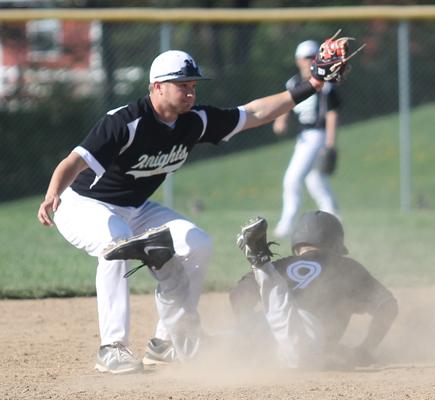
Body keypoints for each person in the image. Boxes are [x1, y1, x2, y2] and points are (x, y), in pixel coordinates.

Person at [36, 49, 328, 374]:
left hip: (136, 208)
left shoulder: (195, 121)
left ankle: (167, 341)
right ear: (157, 86)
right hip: (80, 203)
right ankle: (112, 347)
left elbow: (255, 113)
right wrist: (53, 193)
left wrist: (312, 84)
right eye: (182, 85)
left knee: (198, 243)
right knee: (114, 242)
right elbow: (74, 161)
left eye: (192, 86)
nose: (190, 92)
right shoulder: (126, 121)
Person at [231, 211, 398, 369]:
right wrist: (365, 350)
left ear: (297, 246)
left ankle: (261, 265)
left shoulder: (281, 265)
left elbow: (238, 295)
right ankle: (260, 263)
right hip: (305, 337)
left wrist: (249, 331)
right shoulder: (346, 267)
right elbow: (387, 305)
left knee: (236, 339)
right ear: (335, 245)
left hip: (267, 329)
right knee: (298, 348)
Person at [272, 40, 342, 238]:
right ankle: (334, 217)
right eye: (307, 57)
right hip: (303, 136)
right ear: (298, 60)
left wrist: (330, 143)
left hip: (316, 134)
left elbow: (331, 113)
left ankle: (287, 223)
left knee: (292, 179)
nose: (311, 60)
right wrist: (280, 120)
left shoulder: (325, 84)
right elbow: (285, 102)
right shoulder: (293, 83)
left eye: (314, 56)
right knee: (315, 180)